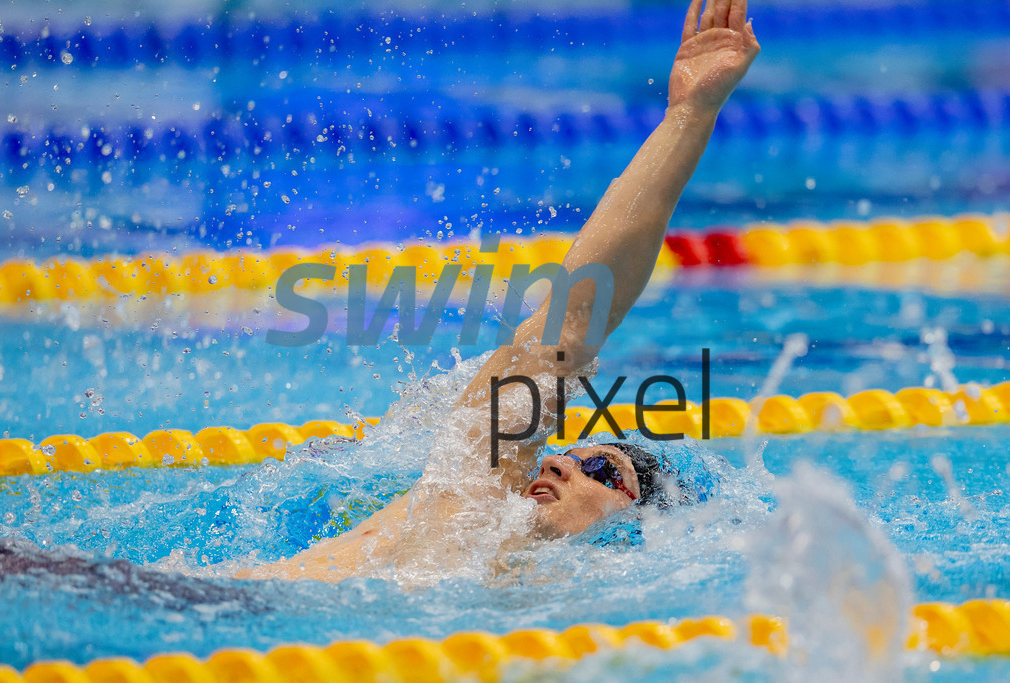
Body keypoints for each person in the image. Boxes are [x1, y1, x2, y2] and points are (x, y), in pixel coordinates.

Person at [237, 0, 759, 582]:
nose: (563, 462)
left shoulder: (564, 612)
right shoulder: (473, 501)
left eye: (604, 474)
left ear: (638, 533)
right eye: (578, 455)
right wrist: (689, 114)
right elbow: (573, 318)